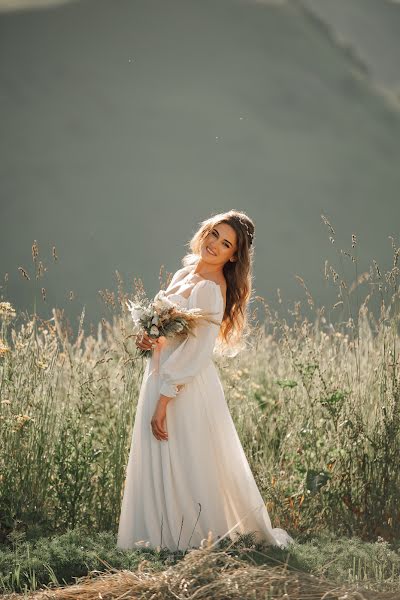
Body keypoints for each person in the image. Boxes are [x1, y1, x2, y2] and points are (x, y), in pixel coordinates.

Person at [116, 209, 293, 551]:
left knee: (186, 459)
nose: (215, 244)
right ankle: (157, 537)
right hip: (159, 373)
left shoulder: (212, 289)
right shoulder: (185, 272)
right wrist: (151, 338)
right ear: (205, 233)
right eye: (214, 234)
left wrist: (165, 399)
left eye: (225, 243)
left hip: (183, 386)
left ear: (234, 255)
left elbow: (196, 352)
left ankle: (191, 537)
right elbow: (171, 330)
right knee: (159, 455)